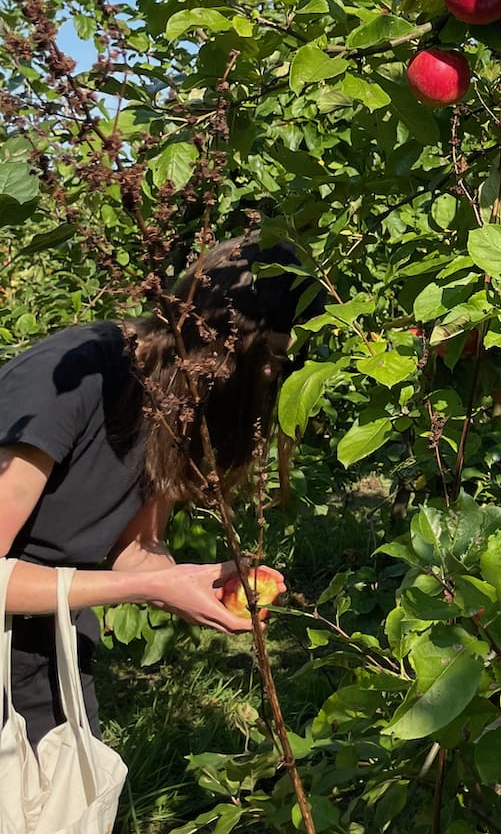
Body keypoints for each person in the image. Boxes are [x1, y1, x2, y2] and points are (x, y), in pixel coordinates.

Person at [0, 234, 323, 747]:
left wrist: (191, 582)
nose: (274, 375)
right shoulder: (68, 383)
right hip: (11, 651)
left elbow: (135, 547)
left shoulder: (177, 404)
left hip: (52, 654)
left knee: (68, 794)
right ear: (224, 334)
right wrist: (149, 589)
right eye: (275, 355)